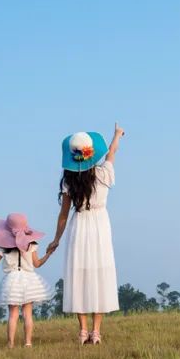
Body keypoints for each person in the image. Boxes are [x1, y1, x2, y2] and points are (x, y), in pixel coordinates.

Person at [46, 123, 125, 344]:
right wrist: (117, 134)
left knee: (78, 276)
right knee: (100, 274)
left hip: (79, 225)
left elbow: (63, 215)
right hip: (100, 225)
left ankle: (83, 331)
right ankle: (96, 332)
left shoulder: (69, 181)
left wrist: (56, 239)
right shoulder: (103, 173)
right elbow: (112, 152)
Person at [0, 213, 55, 348]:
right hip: (29, 280)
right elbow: (37, 264)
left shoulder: (4, 246)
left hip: (12, 281)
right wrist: (48, 254)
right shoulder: (31, 244)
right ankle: (28, 343)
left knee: (13, 314)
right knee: (28, 314)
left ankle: (10, 343)